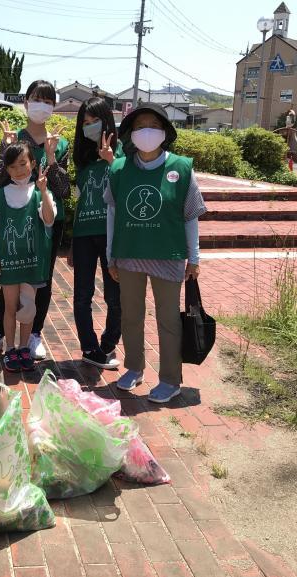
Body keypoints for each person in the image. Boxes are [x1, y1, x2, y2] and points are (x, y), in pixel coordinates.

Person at [103, 103, 206, 404]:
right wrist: (111, 255)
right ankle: (134, 367)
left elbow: (190, 215)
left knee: (168, 319)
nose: (145, 131)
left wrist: (195, 258)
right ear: (131, 134)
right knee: (131, 316)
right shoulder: (119, 169)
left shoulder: (181, 168)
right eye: (139, 126)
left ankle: (170, 379)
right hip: (130, 252)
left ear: (164, 132)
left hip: (168, 253)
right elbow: (112, 214)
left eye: (152, 125)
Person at [0, 80, 71, 361]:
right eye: (36, 98)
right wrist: (3, 150)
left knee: (40, 279)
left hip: (44, 220)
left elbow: (62, 190)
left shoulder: (61, 142)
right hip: (12, 221)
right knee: (9, 277)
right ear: (26, 102)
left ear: (53, 106)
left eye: (47, 100)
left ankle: (33, 335)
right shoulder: (14, 137)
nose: (41, 105)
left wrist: (51, 157)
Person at [0, 143, 56, 372]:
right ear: (7, 170)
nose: (19, 170)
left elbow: (50, 219)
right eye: (13, 166)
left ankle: (25, 347)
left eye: (23, 164)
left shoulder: (40, 193)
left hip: (32, 262)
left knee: (29, 308)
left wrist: (43, 191)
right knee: (10, 307)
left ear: (33, 163)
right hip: (10, 263)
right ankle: (11, 348)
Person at [68, 97, 123, 370]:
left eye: (94, 122)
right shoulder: (84, 158)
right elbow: (80, 199)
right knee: (82, 294)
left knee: (114, 296)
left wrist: (112, 160)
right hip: (83, 235)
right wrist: (72, 243)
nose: (90, 128)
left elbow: (126, 190)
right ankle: (89, 348)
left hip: (111, 235)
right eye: (85, 124)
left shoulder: (123, 153)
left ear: (106, 120)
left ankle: (108, 344)